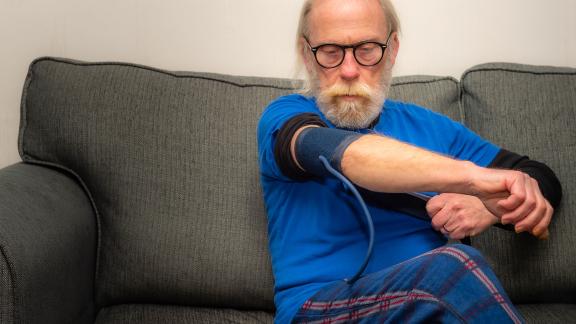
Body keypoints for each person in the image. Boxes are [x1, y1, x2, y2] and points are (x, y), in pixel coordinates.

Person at [257, 0, 562, 322]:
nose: (349, 70)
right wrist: (473, 181)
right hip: (318, 309)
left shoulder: (434, 128)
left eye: (367, 49)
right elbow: (340, 151)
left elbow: (539, 176)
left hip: (433, 311)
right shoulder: (284, 116)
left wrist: (486, 207)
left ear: (391, 50)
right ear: (307, 54)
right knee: (451, 265)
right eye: (330, 51)